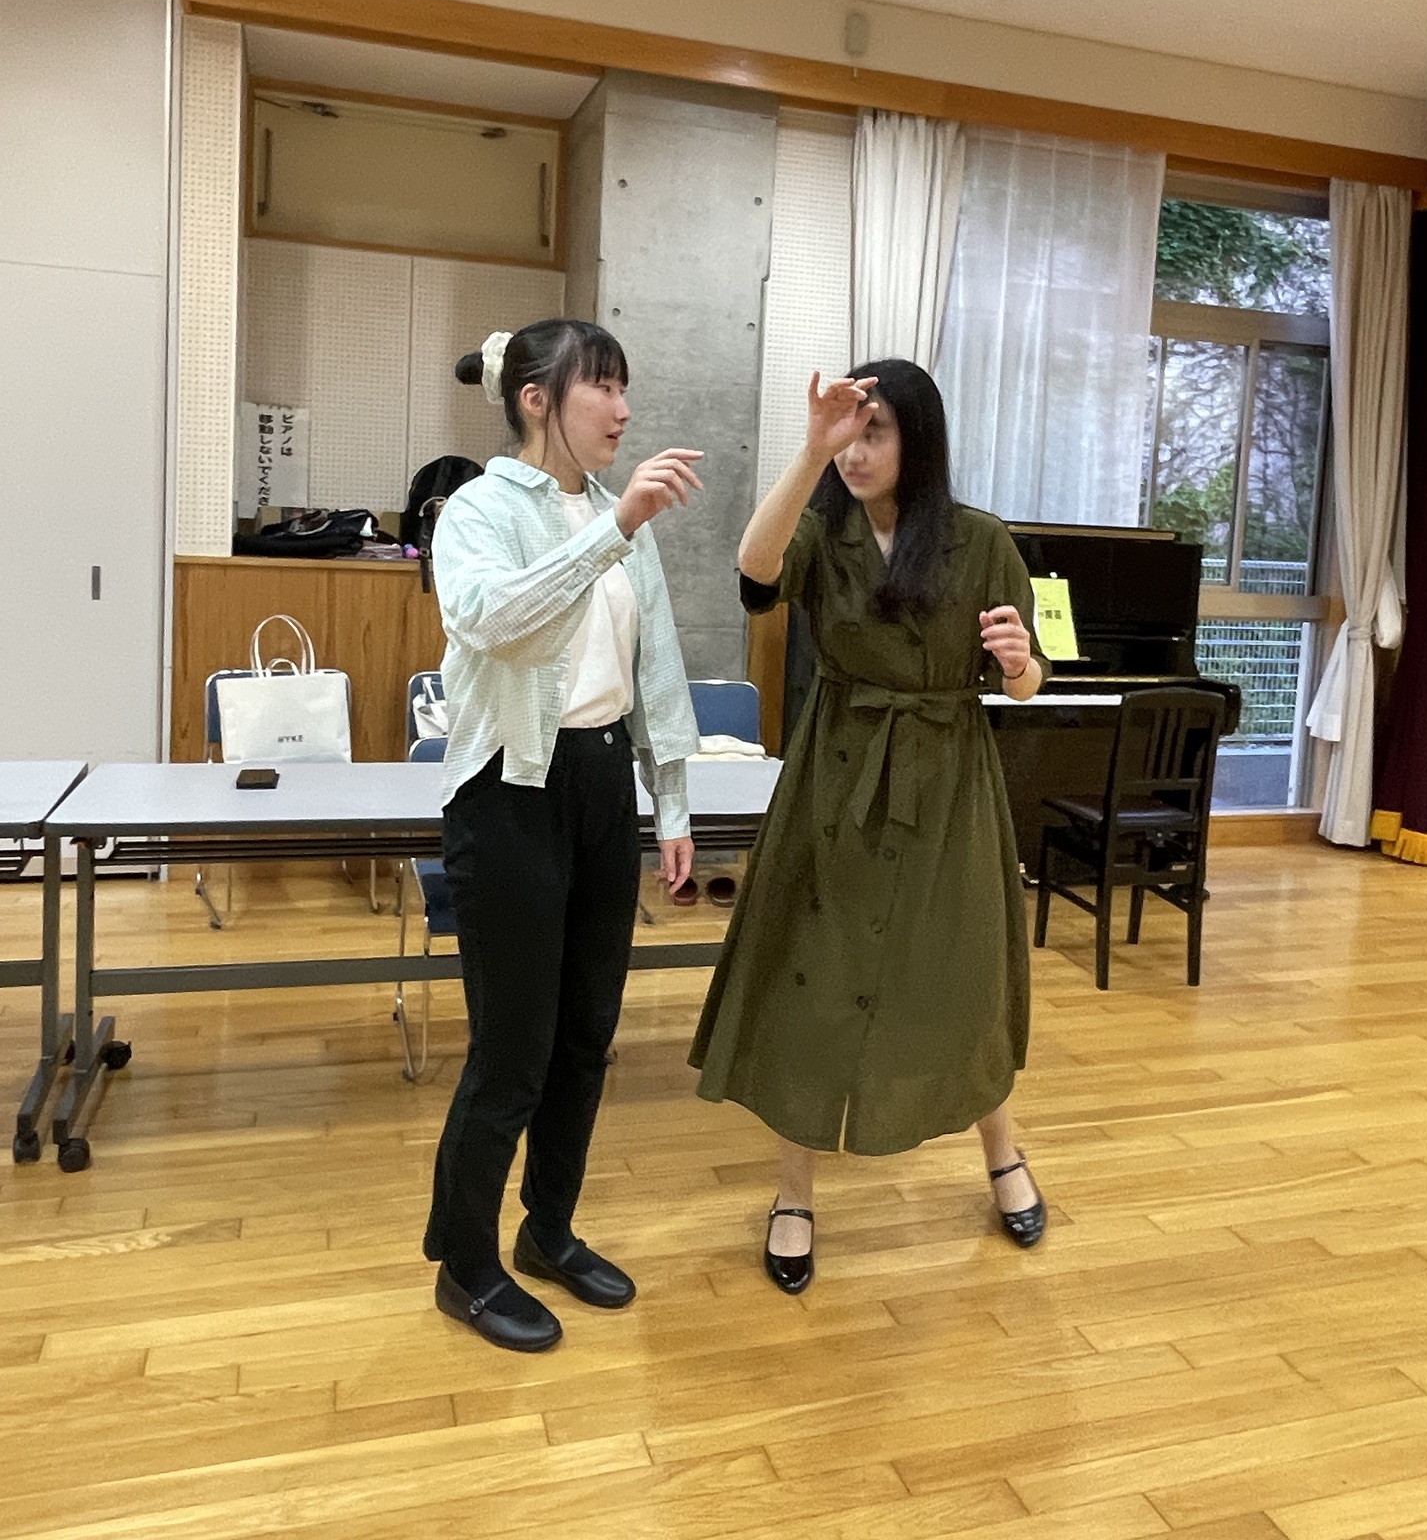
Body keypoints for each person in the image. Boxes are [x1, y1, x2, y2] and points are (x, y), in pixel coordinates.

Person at [690, 359, 1048, 1292]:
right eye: (850, 432)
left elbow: (1026, 680)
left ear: (916, 440)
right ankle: (794, 1194)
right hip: (836, 774)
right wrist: (812, 452)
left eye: (874, 431)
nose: (858, 451)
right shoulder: (823, 532)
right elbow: (755, 569)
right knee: (812, 976)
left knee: (959, 974)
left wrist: (1018, 663)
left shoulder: (981, 541)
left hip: (949, 782)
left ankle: (1003, 1153)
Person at [423, 320, 702, 1352]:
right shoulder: (478, 509)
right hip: (508, 790)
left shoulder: (620, 517)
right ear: (537, 399)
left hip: (599, 784)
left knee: (586, 1034)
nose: (623, 410)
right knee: (512, 1051)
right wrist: (615, 525)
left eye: (626, 389)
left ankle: (548, 1231)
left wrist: (670, 803)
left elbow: (655, 663)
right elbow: (496, 622)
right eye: (602, 388)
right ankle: (466, 1264)